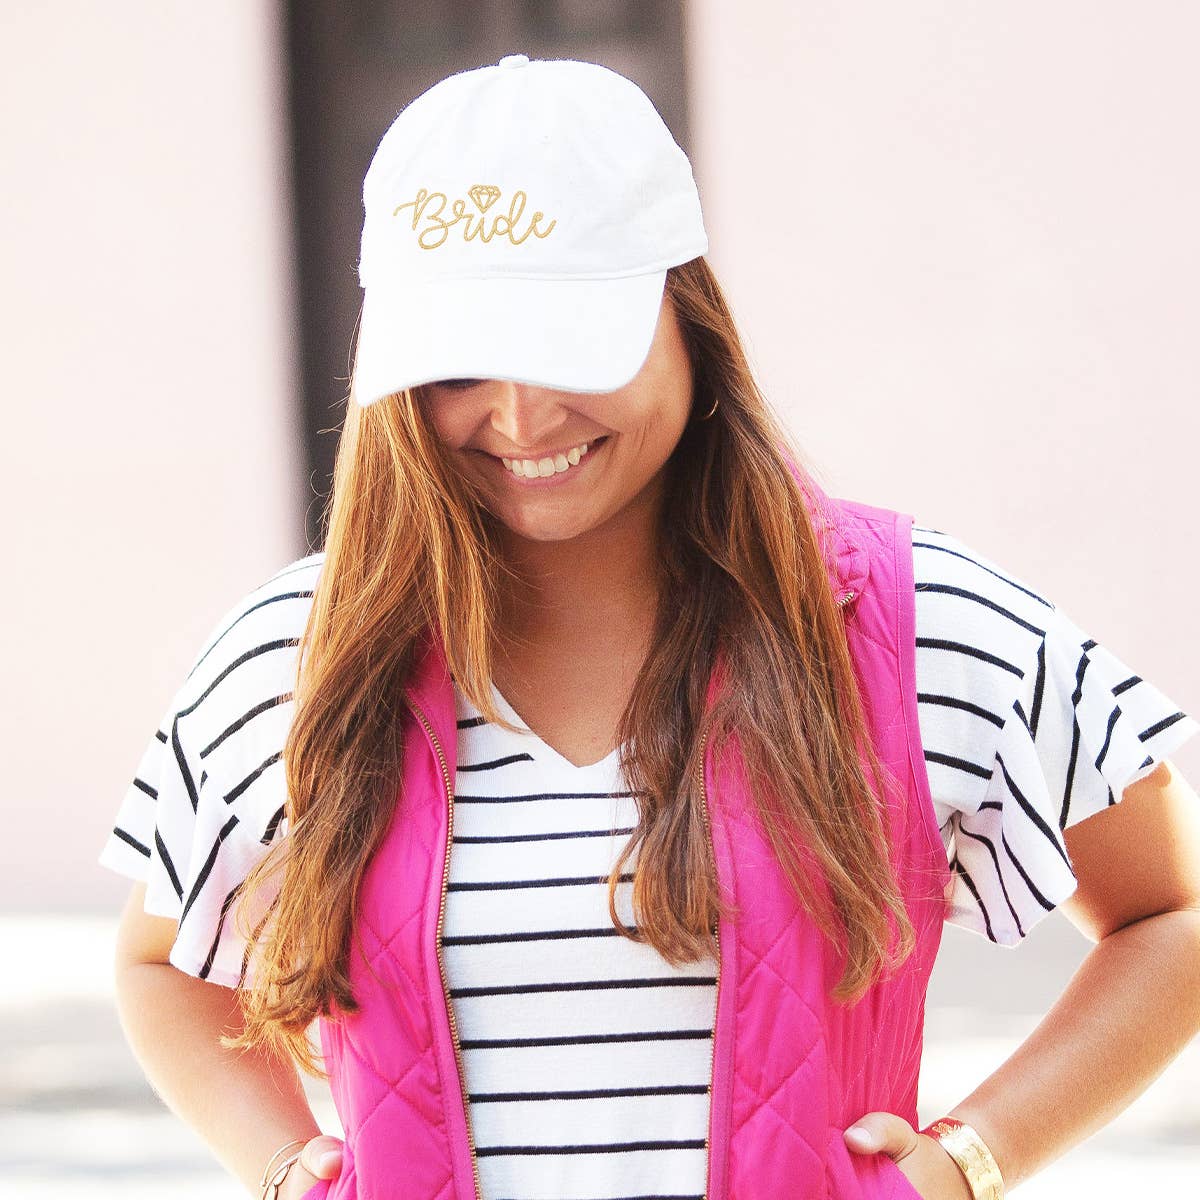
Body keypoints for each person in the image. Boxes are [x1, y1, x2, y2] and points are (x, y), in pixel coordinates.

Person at [98, 55, 1200, 1200]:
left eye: (573, 343)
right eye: (462, 361)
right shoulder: (295, 656)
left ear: (687, 311)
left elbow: (1171, 916)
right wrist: (286, 1171)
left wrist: (972, 1161)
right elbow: (160, 962)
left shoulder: (913, 623)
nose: (522, 417)